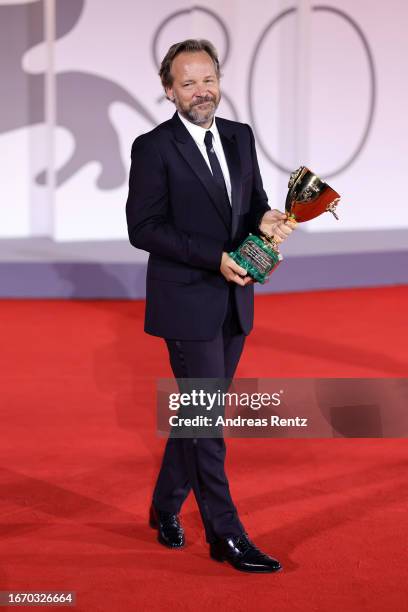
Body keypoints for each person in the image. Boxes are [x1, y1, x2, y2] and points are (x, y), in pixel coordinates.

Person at [126, 39, 296, 573]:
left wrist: (265, 224)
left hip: (235, 300)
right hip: (186, 302)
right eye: (189, 82)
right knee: (206, 420)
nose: (202, 91)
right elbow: (143, 228)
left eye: (209, 79)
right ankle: (225, 533)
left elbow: (253, 205)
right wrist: (215, 257)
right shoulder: (153, 147)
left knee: (198, 414)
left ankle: (164, 506)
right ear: (169, 89)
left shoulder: (240, 137)